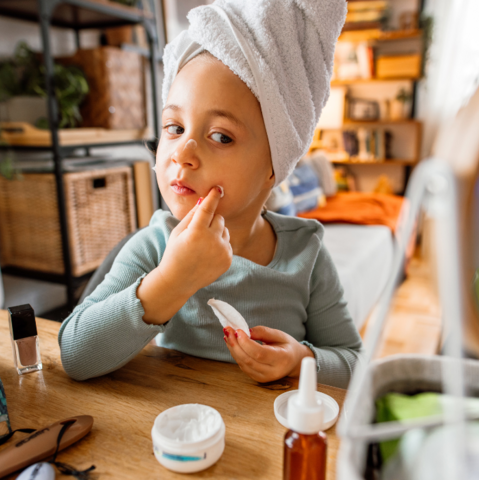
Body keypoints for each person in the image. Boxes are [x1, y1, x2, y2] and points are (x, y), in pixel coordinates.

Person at [59, 0, 363, 388]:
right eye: (173, 127)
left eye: (220, 136)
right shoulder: (155, 247)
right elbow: (74, 353)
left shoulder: (306, 256)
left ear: (275, 165)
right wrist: (172, 280)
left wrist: (300, 359)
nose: (182, 154)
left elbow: (356, 363)